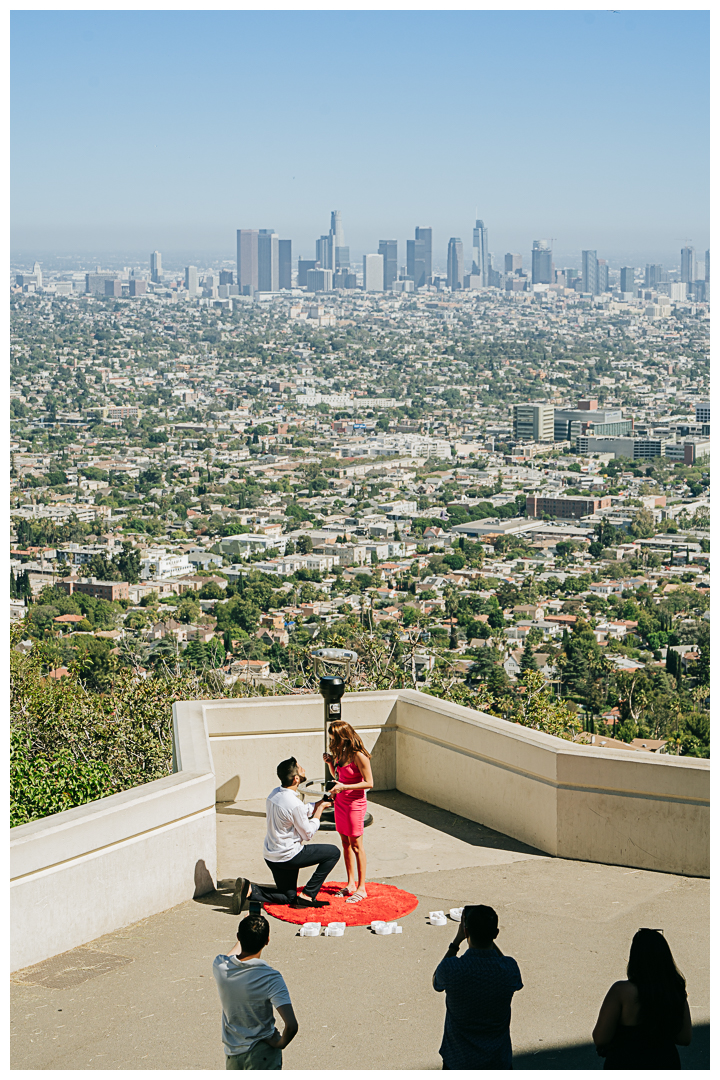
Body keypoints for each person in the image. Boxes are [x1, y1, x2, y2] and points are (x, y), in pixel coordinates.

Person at [232, 757, 341, 912]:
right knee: (333, 853)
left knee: (288, 897)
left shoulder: (275, 794)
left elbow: (300, 811)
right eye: (300, 767)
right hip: (289, 857)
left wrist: (321, 801)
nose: (303, 769)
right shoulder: (293, 803)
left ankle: (249, 889)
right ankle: (308, 895)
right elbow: (308, 833)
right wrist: (320, 810)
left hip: (272, 856)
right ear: (296, 778)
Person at [433, 905, 523, 1070]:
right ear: (495, 934)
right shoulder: (509, 969)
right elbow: (513, 977)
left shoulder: (452, 969)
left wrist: (456, 942)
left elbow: (436, 983)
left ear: (466, 932)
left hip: (459, 1060)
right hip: (497, 1061)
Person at [592, 928, 692, 1069]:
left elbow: (600, 1038)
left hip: (626, 1063)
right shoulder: (674, 991)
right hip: (665, 1063)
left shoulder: (621, 991)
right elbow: (685, 1038)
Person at [213, 913, 298, 1070]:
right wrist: (280, 1043)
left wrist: (245, 934)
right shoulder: (271, 978)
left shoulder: (220, 966)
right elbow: (291, 1025)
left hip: (233, 1053)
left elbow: (231, 957)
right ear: (267, 941)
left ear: (238, 936)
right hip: (262, 1053)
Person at [323, 719, 374, 904]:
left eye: (333, 738)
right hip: (341, 802)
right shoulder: (340, 753)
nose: (331, 742)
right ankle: (351, 883)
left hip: (354, 803)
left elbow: (369, 783)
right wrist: (330, 764)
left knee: (357, 845)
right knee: (345, 843)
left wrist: (343, 787)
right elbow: (340, 777)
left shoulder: (359, 755)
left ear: (343, 737)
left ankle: (362, 887)